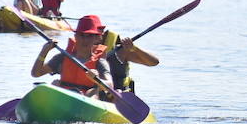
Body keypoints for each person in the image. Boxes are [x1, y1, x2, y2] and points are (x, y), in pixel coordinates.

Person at [29, 14, 159, 97]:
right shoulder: (63, 57)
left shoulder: (109, 57)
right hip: (66, 96)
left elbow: (154, 62)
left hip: (94, 97)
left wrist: (97, 79)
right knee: (55, 83)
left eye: (90, 36)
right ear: (75, 36)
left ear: (98, 37)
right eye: (82, 35)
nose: (85, 39)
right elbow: (36, 73)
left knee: (94, 92)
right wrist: (44, 51)